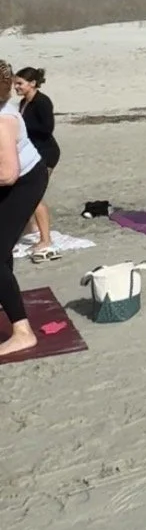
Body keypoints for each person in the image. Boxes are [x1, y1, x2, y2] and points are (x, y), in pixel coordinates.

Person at [0, 59, 50, 357]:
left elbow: (8, 174)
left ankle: (23, 332)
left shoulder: (3, 122)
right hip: (11, 179)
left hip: (24, 182)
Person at [13, 67, 60, 261]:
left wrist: (21, 126)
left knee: (35, 195)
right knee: (26, 194)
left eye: (20, 83)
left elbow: (47, 128)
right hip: (31, 153)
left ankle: (46, 239)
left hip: (46, 153)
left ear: (32, 83)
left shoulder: (42, 102)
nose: (16, 87)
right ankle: (31, 229)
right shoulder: (24, 102)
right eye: (15, 83)